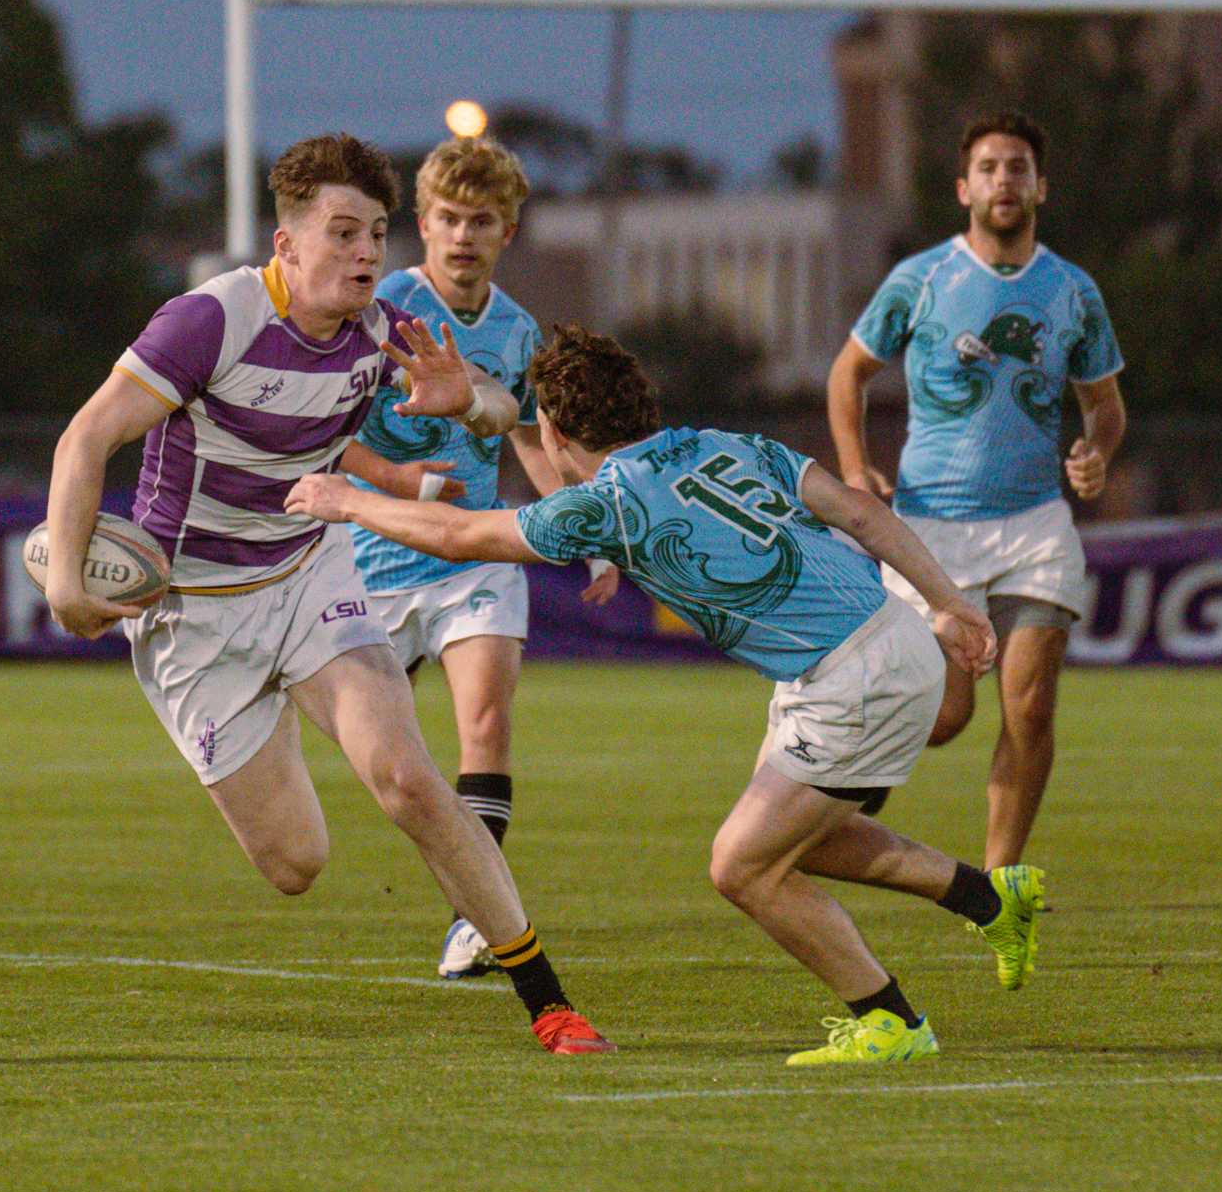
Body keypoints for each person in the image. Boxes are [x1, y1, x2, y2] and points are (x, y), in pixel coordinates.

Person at [287, 325, 1046, 1067]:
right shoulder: (724, 443)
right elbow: (860, 510)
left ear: (552, 433)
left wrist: (346, 501)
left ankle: (891, 1020)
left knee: (742, 867)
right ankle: (990, 903)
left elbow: (458, 536)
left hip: (850, 679)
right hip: (886, 637)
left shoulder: (605, 503)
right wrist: (944, 604)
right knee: (805, 841)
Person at [40, 132, 611, 1053]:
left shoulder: (382, 330)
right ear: (286, 245)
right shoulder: (208, 322)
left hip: (310, 575)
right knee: (297, 864)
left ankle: (550, 1004)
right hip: (193, 615)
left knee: (408, 779)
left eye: (376, 233)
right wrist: (67, 585)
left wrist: (464, 400)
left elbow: (508, 416)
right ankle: (263, 724)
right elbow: (84, 438)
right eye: (343, 232)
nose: (365, 253)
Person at [344, 135, 621, 979]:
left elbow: (539, 440)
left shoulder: (517, 328)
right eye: (450, 219)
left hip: (476, 555)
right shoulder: (380, 308)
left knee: (488, 725)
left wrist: (583, 528)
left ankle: (477, 924)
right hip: (374, 552)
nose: (464, 236)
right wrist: (393, 480)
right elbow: (327, 432)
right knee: (391, 770)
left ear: (507, 232)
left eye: (483, 222)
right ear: (421, 225)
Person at [825, 112, 1125, 873]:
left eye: (1018, 167)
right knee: (946, 715)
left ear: (1040, 187)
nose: (1004, 180)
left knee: (1029, 709)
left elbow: (1103, 403)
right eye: (989, 167)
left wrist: (1097, 451)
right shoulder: (921, 280)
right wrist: (856, 469)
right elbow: (848, 374)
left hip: (1034, 527)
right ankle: (843, 768)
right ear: (964, 187)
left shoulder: (1072, 291)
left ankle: (998, 887)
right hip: (932, 530)